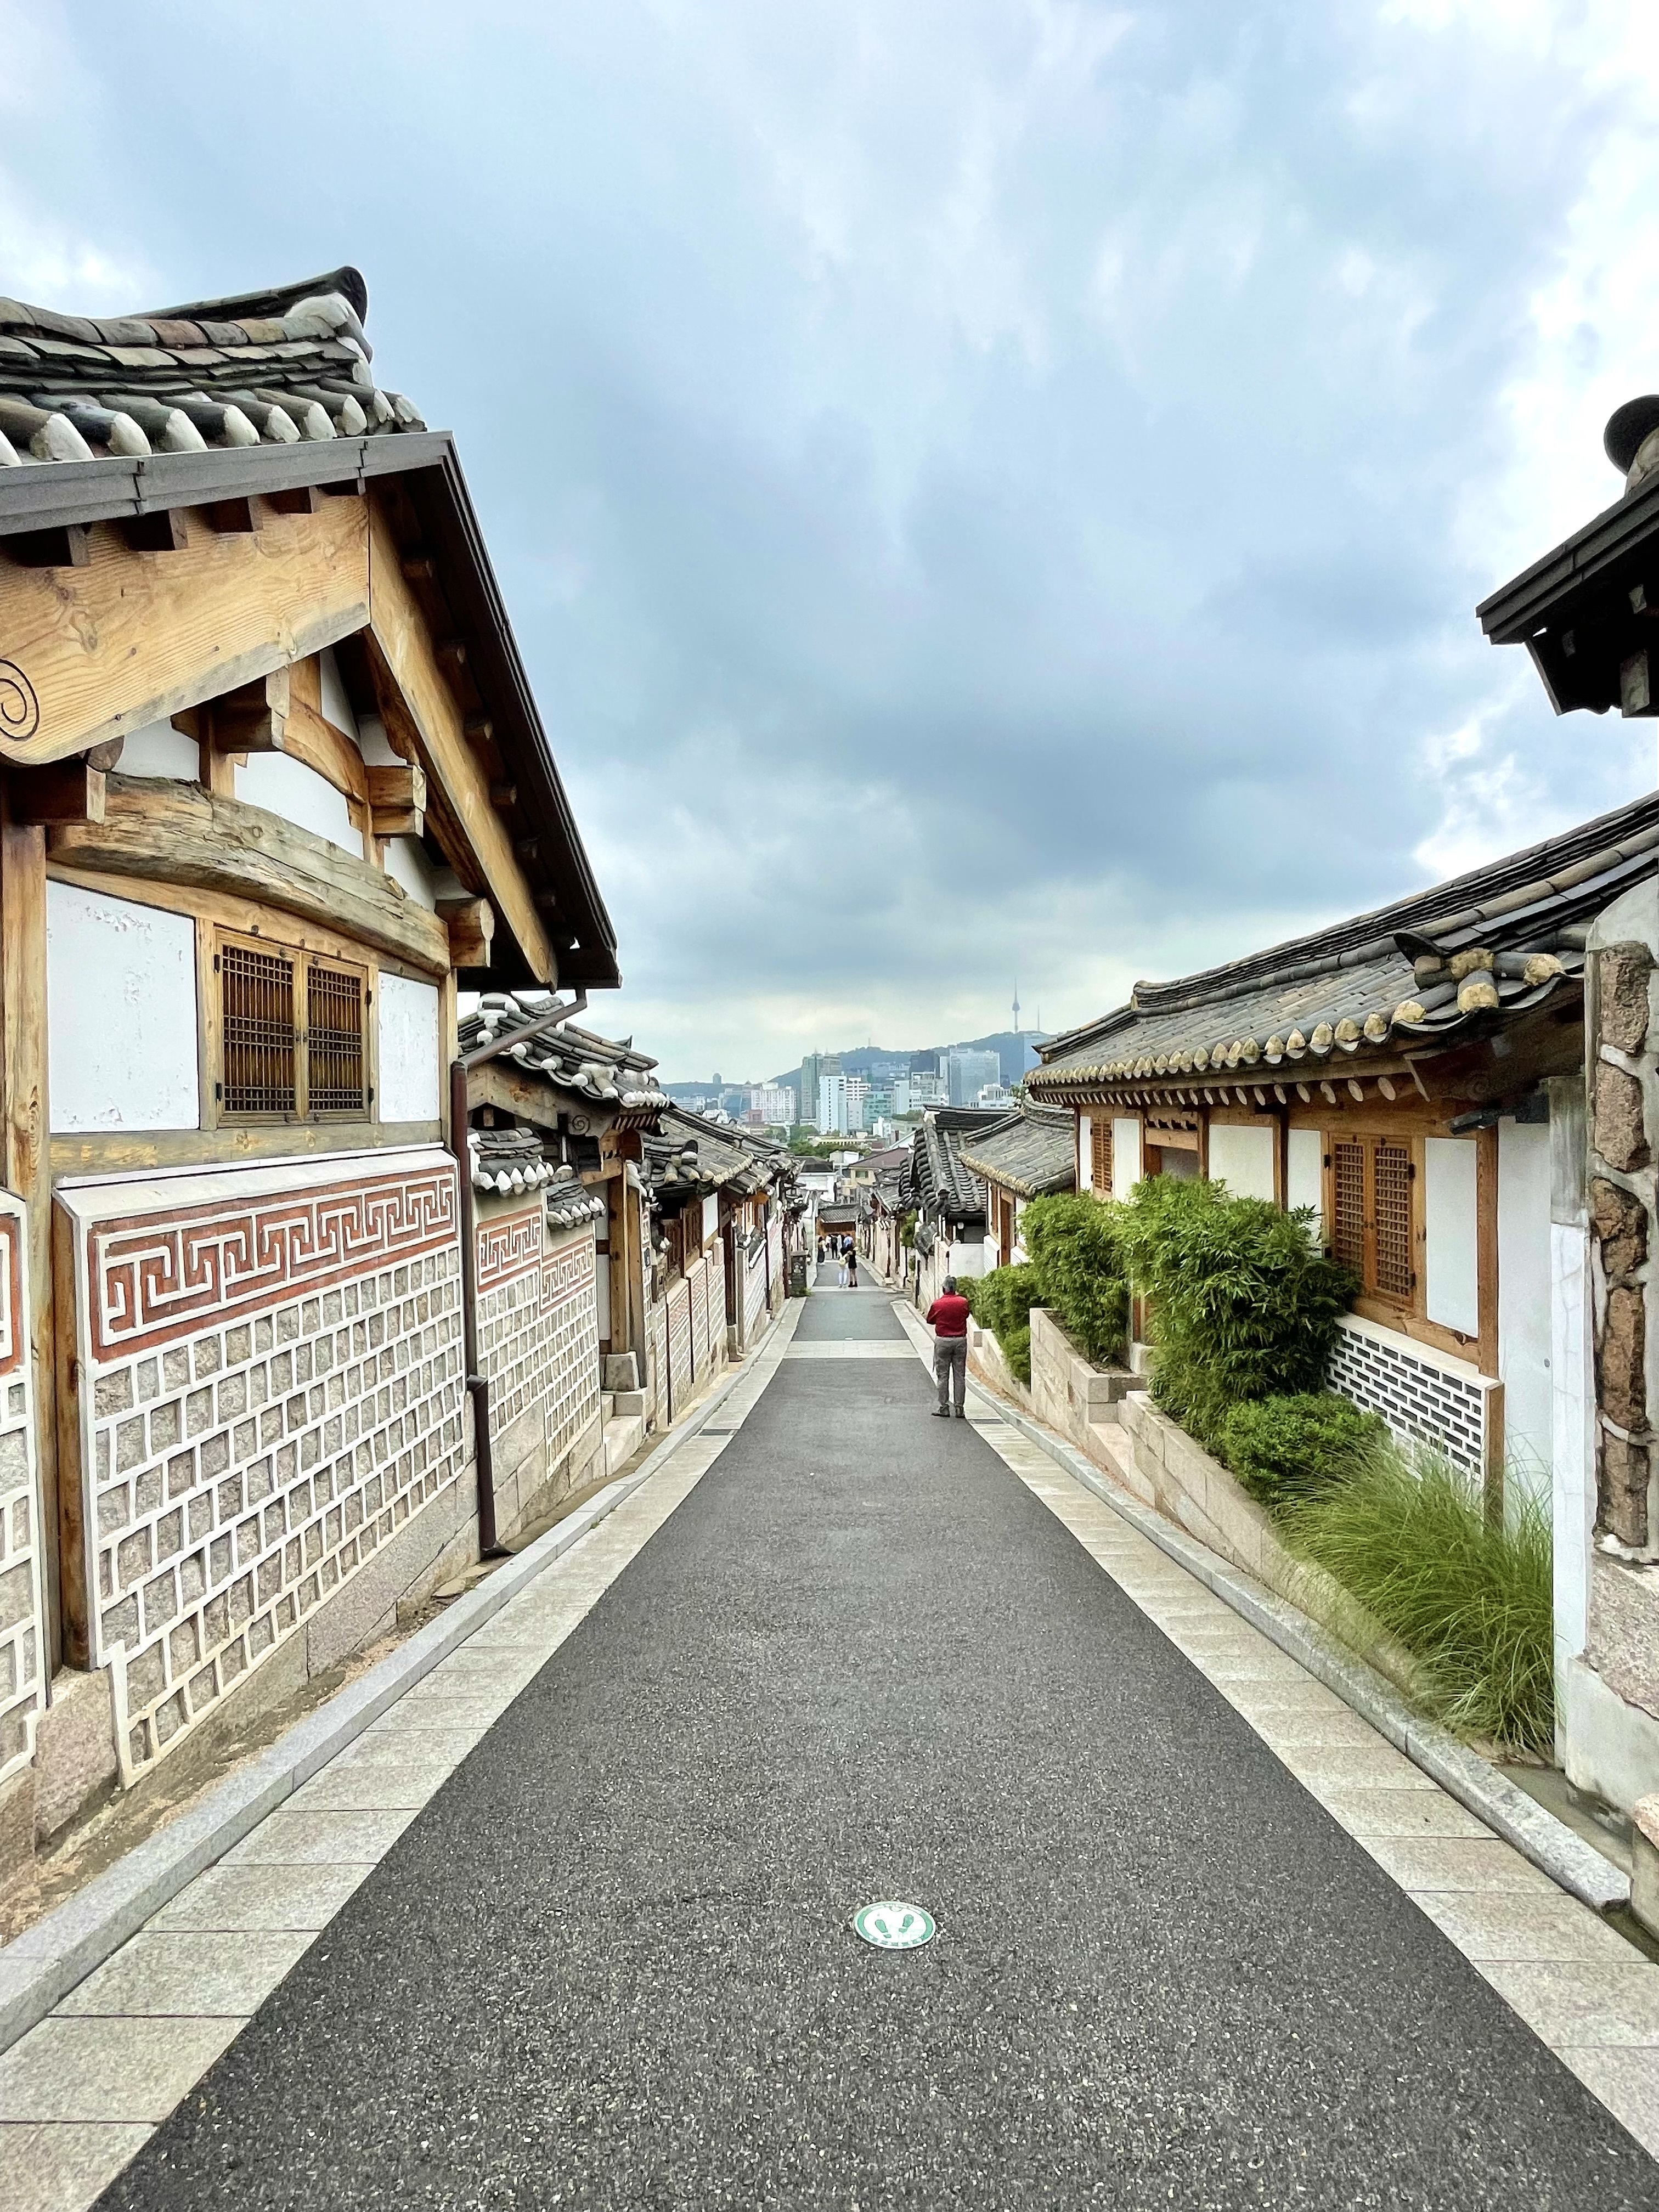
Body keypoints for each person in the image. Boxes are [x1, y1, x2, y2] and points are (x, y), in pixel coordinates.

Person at [925, 1273, 970, 1418]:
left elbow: (930, 1320)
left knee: (943, 1375)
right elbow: (966, 1315)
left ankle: (944, 1407)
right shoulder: (963, 1302)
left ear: (944, 1288)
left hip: (943, 1341)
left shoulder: (937, 1304)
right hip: (960, 1340)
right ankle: (959, 1408)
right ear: (955, 1288)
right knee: (960, 1375)